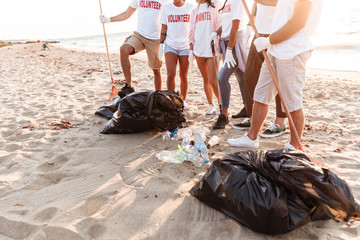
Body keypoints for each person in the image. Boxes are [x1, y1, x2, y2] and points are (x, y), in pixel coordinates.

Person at [227, 0, 324, 149]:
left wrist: (269, 40)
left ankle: (294, 146)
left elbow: (298, 23)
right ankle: (251, 138)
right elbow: (273, 1)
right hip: (275, 48)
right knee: (261, 94)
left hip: (293, 51)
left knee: (292, 101)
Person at [232, 0, 287, 138]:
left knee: (278, 79)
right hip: (258, 33)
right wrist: (250, 26)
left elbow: (277, 3)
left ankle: (280, 122)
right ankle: (252, 118)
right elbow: (256, 8)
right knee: (249, 76)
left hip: (276, 34)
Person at [99, 0, 170, 98]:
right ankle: (129, 86)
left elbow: (168, 19)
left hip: (155, 39)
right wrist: (108, 19)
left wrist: (163, 41)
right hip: (140, 35)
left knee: (156, 70)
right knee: (124, 49)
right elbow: (126, 14)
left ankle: (158, 95)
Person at [211, 0, 249, 129]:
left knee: (222, 78)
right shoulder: (227, 2)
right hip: (226, 40)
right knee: (241, 78)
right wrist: (216, 32)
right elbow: (227, 24)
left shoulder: (238, 2)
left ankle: (224, 115)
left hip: (235, 42)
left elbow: (235, 26)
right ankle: (247, 108)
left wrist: (230, 50)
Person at [189, 0, 222, 115]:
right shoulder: (195, 10)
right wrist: (191, 49)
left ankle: (220, 104)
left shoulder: (214, 6)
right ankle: (210, 105)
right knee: (206, 79)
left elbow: (220, 25)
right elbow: (192, 31)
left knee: (214, 81)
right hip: (198, 49)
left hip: (211, 49)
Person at [159, 0, 194, 110]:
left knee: (183, 75)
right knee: (171, 74)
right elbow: (164, 28)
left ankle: (182, 100)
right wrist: (160, 45)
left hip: (185, 46)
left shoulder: (191, 7)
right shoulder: (166, 7)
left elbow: (194, 28)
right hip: (170, 45)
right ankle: (172, 100)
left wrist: (193, 47)